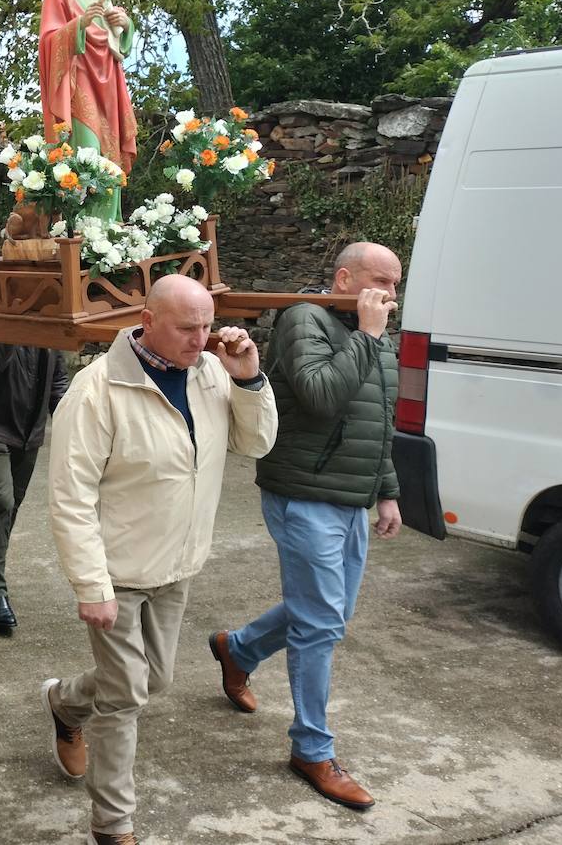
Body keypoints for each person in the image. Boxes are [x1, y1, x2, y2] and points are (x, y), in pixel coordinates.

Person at [41, 275, 278, 845]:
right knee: (125, 698)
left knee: (155, 680)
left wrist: (249, 378)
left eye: (206, 326)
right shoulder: (96, 391)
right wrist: (91, 584)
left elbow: (257, 443)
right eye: (186, 328)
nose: (201, 339)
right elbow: (70, 496)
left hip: (178, 562)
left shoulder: (213, 371)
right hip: (118, 571)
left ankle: (64, 702)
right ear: (148, 320)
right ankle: (113, 826)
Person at [210, 242, 403, 812]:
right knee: (321, 624)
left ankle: (238, 649)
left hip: (352, 496)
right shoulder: (303, 319)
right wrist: (368, 336)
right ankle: (312, 749)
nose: (389, 294)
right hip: (304, 492)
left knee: (328, 612)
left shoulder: (373, 331)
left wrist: (388, 491)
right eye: (379, 281)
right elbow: (320, 397)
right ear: (345, 277)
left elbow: (377, 420)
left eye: (395, 284)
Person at [0, 342, 68, 631]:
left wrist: (71, 420)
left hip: (28, 431)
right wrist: (18, 324)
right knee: (1, 501)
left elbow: (57, 379)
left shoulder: (50, 319)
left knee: (10, 506)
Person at [40, 0, 139, 220]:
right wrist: (80, 24)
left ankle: (108, 232)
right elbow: (48, 40)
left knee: (110, 157)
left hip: (108, 80)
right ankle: (87, 229)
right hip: (77, 80)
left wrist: (125, 24)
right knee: (89, 153)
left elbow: (116, 41)